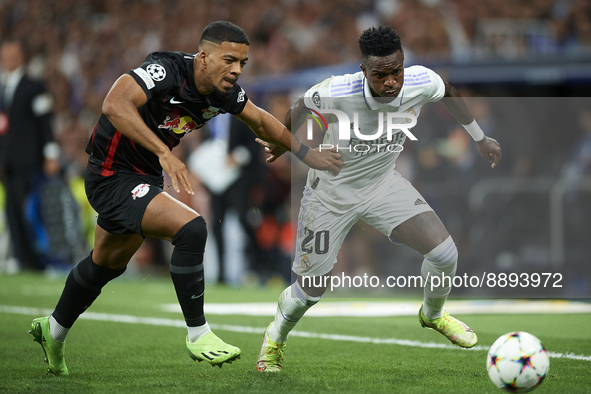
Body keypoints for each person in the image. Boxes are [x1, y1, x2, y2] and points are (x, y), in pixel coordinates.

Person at [29, 21, 342, 376]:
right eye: (230, 60)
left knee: (105, 264)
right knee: (192, 229)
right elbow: (114, 104)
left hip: (142, 177)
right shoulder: (165, 71)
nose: (237, 69)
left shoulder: (225, 92)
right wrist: (164, 152)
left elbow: (260, 120)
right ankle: (198, 334)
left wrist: (307, 154)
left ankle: (52, 331)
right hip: (110, 174)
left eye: (243, 62)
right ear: (204, 57)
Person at [255, 26, 502, 372]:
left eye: (396, 71)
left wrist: (478, 137)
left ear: (404, 64)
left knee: (445, 254)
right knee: (309, 292)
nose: (390, 82)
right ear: (364, 72)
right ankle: (274, 340)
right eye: (380, 75)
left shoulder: (419, 80)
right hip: (331, 193)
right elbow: (300, 106)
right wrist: (285, 142)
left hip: (383, 184)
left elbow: (447, 90)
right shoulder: (338, 89)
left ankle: (433, 315)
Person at [0, 39, 58, 271]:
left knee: (30, 210)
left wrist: (51, 154)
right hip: (7, 162)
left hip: (29, 159)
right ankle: (22, 258)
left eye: (14, 54)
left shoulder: (35, 86)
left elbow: (45, 122)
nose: (9, 58)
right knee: (12, 210)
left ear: (22, 56)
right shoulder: (2, 88)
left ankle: (38, 259)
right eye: (5, 54)